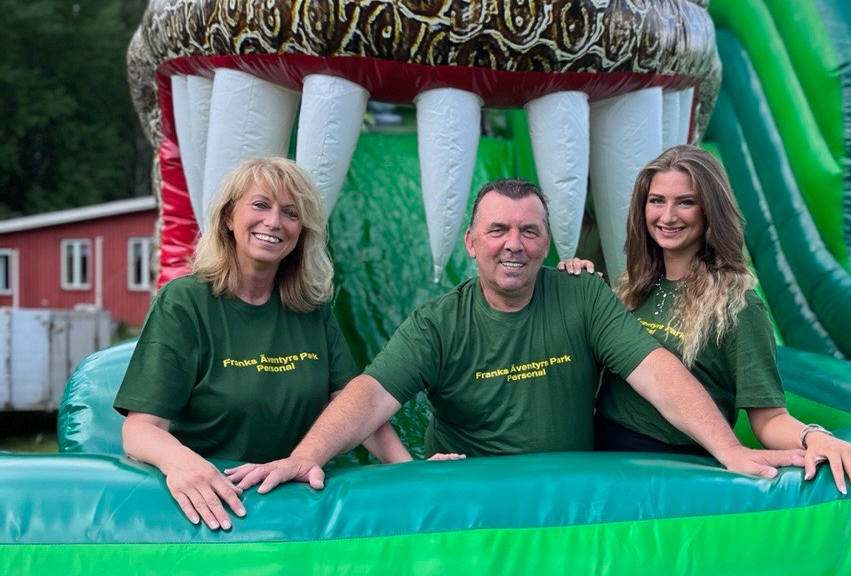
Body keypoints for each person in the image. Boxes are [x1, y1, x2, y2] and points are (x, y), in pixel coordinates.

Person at [225, 178, 804, 494]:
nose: (514, 244)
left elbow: (655, 371)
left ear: (548, 245)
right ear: (471, 243)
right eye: (498, 230)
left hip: (570, 503)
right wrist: (306, 456)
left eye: (530, 231)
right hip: (476, 503)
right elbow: (371, 394)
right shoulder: (440, 322)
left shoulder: (582, 296)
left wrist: (727, 449)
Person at [114, 158, 434, 531]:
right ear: (229, 217)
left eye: (290, 213)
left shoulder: (312, 308)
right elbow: (139, 430)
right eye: (260, 204)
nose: (274, 222)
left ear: (302, 232)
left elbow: (353, 409)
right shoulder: (185, 302)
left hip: (298, 505)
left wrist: (410, 474)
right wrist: (181, 464)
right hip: (214, 506)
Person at [558, 145, 851, 499]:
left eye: (685, 202)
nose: (667, 216)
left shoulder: (738, 306)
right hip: (601, 460)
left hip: (674, 476)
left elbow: (768, 418)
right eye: (656, 201)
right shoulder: (631, 287)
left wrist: (816, 437)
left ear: (710, 209)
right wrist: (571, 286)